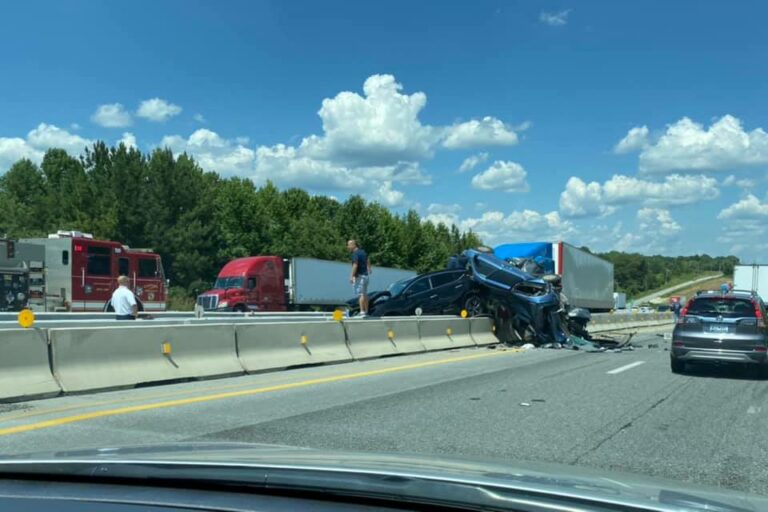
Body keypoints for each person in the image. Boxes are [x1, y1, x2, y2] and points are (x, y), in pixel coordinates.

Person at [347, 239, 371, 317]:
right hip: (366, 276)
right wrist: (369, 268)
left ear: (354, 245)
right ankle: (367, 311)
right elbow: (368, 259)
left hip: (360, 276)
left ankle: (362, 312)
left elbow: (355, 265)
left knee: (361, 294)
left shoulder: (355, 253)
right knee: (365, 294)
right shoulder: (363, 252)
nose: (348, 247)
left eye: (349, 245)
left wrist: (351, 276)